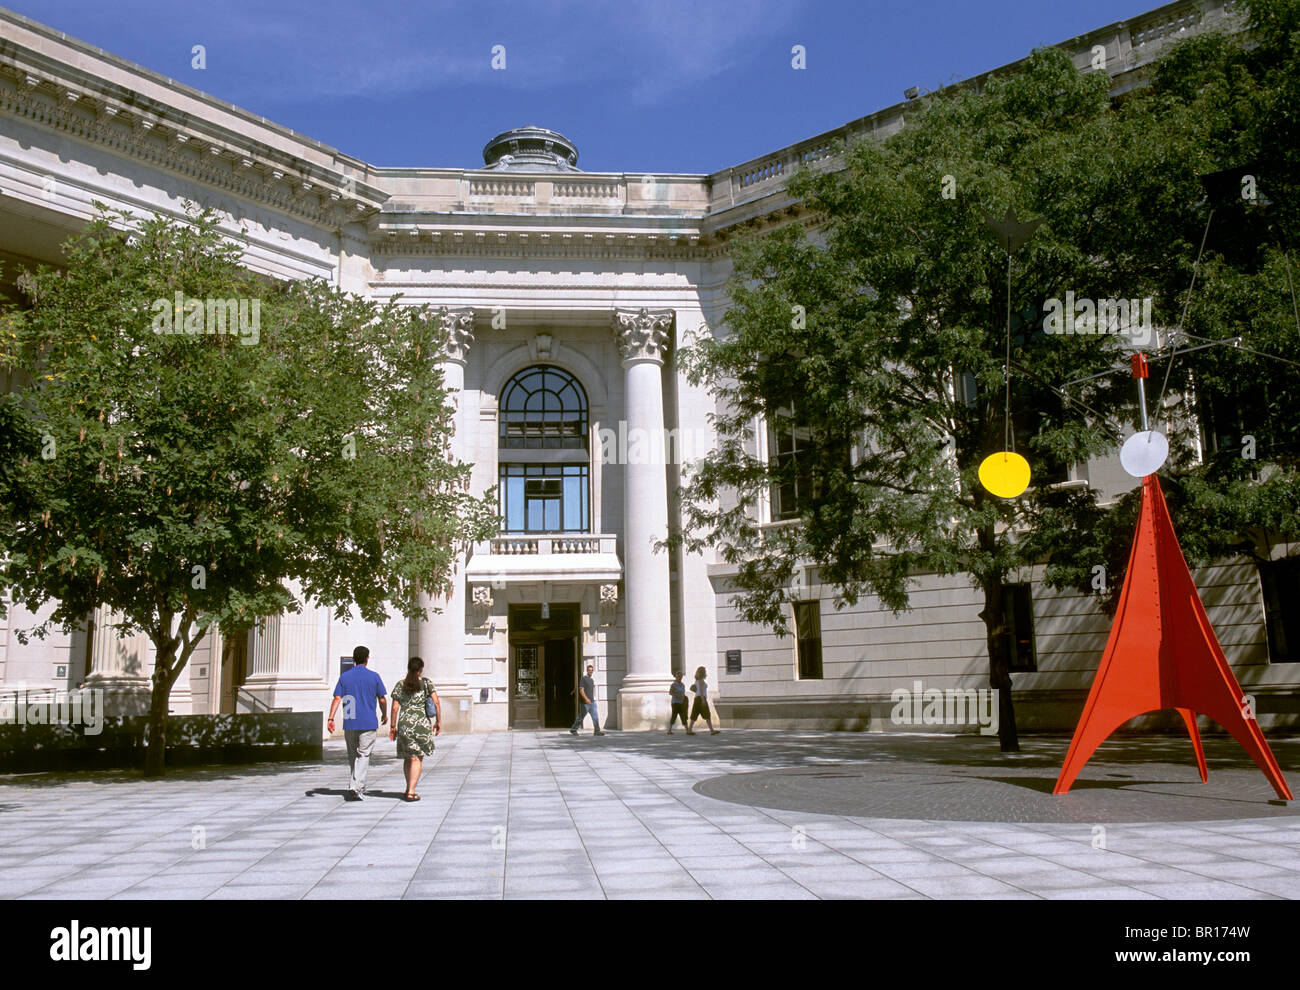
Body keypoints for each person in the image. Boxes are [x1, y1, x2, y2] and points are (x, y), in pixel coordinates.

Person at [327, 645, 387, 801]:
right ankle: (356, 786)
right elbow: (382, 699)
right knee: (364, 754)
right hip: (368, 721)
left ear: (354, 659)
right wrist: (385, 714)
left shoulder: (344, 677)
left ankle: (357, 785)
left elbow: (337, 699)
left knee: (353, 755)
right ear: (367, 658)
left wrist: (331, 718)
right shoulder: (374, 676)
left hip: (350, 720)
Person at [389, 656, 439, 802]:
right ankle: (411, 791)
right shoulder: (426, 683)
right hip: (421, 724)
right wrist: (438, 722)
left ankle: (407, 787)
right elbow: (436, 703)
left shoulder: (400, 684)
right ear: (420, 669)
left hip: (405, 723)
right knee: (417, 757)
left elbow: (395, 707)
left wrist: (393, 726)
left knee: (408, 756)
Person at [569, 663, 604, 736]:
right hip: (585, 702)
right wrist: (586, 699)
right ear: (587, 671)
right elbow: (581, 690)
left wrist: (591, 700)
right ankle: (573, 729)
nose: (590, 671)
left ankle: (597, 731)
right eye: (589, 670)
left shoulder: (591, 680)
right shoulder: (583, 678)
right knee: (581, 716)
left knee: (595, 717)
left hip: (592, 702)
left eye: (591, 670)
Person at [688, 665, 720, 735]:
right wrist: (703, 700)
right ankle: (711, 730)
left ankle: (689, 730)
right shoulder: (701, 680)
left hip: (697, 698)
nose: (706, 672)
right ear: (703, 672)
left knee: (694, 714)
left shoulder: (697, 680)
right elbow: (701, 691)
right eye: (705, 671)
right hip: (701, 698)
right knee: (707, 714)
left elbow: (695, 689)